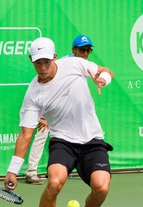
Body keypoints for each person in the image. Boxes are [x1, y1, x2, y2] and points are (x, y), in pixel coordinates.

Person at [4, 37, 114, 207]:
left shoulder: (74, 64)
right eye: (38, 63)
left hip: (92, 139)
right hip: (63, 141)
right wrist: (13, 170)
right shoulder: (33, 93)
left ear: (55, 57)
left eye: (46, 61)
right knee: (54, 183)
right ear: (31, 61)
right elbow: (26, 133)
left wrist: (102, 79)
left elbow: (105, 71)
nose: (43, 68)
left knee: (101, 188)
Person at [24, 35, 96, 185]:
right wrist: (43, 116)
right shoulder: (65, 63)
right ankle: (31, 172)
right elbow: (49, 91)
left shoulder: (84, 63)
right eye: (82, 50)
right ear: (74, 50)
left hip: (69, 112)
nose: (85, 53)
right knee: (42, 132)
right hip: (51, 110)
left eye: (88, 50)